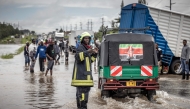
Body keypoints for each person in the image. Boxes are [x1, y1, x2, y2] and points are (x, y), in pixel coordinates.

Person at [71, 32, 98, 109]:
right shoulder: (80, 47)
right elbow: (78, 58)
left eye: (88, 38)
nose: (87, 39)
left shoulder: (87, 48)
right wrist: (88, 52)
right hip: (81, 78)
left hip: (86, 78)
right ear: (82, 39)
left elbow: (90, 61)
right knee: (82, 98)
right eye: (85, 38)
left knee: (83, 98)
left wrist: (95, 54)